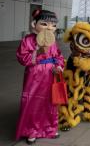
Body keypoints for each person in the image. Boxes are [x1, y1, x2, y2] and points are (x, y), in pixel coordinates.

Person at [16, 9, 64, 145]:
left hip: (50, 74)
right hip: (35, 74)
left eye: (53, 25)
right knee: (32, 102)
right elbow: (23, 58)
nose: (49, 28)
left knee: (50, 101)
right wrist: (37, 51)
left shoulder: (53, 41)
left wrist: (59, 65)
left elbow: (58, 56)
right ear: (34, 24)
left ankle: (49, 128)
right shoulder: (27, 40)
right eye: (44, 24)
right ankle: (31, 130)